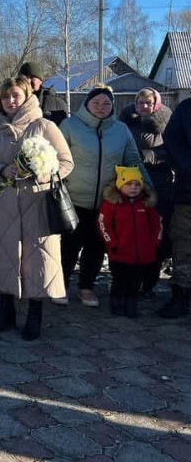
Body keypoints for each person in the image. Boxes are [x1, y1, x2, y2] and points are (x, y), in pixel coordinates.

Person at [0, 77, 74, 340]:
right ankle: (5, 309)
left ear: (27, 96)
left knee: (37, 257)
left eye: (16, 96)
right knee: (5, 255)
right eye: (5, 97)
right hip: (3, 202)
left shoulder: (44, 125)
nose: (10, 101)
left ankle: (35, 313)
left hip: (37, 202)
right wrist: (1, 170)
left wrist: (41, 172)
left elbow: (66, 162)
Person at [59, 85, 152, 308]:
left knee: (97, 245)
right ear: (86, 104)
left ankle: (86, 287)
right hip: (73, 198)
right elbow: (57, 158)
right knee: (69, 245)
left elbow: (133, 159)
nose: (101, 107)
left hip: (107, 201)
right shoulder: (70, 126)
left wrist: (148, 188)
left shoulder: (120, 129)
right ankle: (59, 284)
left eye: (106, 104)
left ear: (112, 106)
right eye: (96, 103)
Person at [118, 88, 173, 297]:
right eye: (139, 102)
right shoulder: (126, 122)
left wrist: (151, 156)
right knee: (130, 231)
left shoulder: (165, 124)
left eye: (148, 103)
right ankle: (126, 279)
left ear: (156, 104)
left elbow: (173, 152)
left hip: (158, 184)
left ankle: (149, 281)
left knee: (154, 233)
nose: (143, 106)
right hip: (130, 183)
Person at [98, 166, 162, 318]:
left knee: (135, 281)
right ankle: (117, 302)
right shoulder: (112, 204)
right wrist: (112, 243)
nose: (133, 188)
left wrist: (154, 243)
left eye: (137, 184)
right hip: (120, 252)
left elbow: (157, 225)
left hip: (142, 254)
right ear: (120, 185)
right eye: (129, 184)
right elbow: (103, 225)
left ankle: (131, 303)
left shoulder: (146, 204)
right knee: (119, 280)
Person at [161, 96, 191, 318]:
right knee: (183, 244)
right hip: (188, 194)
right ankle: (180, 297)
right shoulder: (186, 108)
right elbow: (172, 141)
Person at [18, 61, 68, 125]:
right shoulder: (12, 103)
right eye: (24, 78)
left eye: (32, 78)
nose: (28, 81)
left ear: (41, 81)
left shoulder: (56, 103)